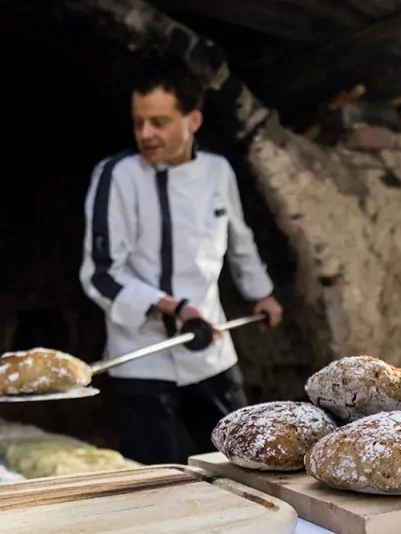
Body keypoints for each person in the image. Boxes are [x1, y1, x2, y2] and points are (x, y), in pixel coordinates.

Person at [78, 55, 283, 465]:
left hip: (211, 351)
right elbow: (100, 274)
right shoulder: (115, 175)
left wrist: (262, 293)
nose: (145, 134)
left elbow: (238, 239)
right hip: (141, 359)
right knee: (152, 482)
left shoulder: (217, 171)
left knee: (243, 466)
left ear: (193, 120)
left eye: (159, 122)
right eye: (139, 122)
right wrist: (173, 307)